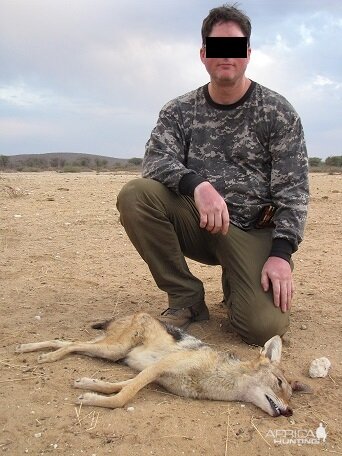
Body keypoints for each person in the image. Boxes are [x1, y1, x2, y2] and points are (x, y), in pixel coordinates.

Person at [117, 4, 309, 346]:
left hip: (252, 230)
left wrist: (281, 254)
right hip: (200, 221)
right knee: (135, 195)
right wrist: (198, 185)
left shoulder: (278, 112)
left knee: (263, 328)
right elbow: (155, 160)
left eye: (235, 48)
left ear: (248, 54)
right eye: (217, 47)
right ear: (204, 54)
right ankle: (187, 299)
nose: (226, 57)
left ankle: (239, 283)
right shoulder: (179, 110)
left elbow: (293, 192)